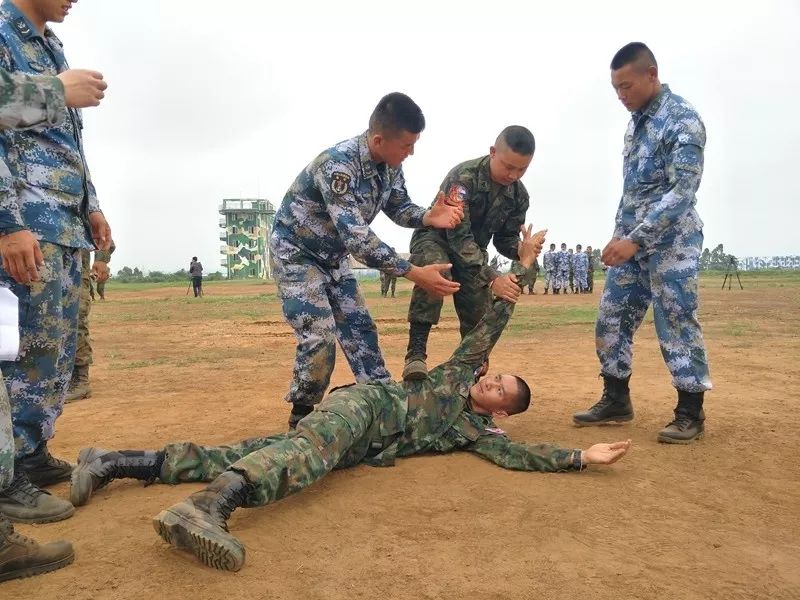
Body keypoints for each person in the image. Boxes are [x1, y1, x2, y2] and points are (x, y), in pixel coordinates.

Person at [68, 226, 631, 572]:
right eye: (497, 376)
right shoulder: (457, 376)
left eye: (500, 390)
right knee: (305, 458)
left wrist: (579, 457)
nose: (491, 382)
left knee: (252, 452)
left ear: (501, 411)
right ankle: (210, 508)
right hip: (366, 406)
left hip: (361, 445)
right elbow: (490, 327)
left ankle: (114, 463)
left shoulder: (474, 433)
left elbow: (520, 454)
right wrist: (523, 266)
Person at [269, 92, 464, 428]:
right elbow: (358, 240)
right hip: (297, 254)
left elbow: (399, 207)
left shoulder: (390, 167)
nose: (410, 153)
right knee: (320, 334)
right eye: (406, 145)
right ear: (378, 140)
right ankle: (301, 416)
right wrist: (413, 272)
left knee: (361, 329)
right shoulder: (337, 166)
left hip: (333, 258)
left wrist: (427, 217)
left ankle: (385, 405)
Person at [573, 42, 711, 444]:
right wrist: (620, 234)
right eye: (615, 88)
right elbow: (632, 191)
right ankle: (616, 399)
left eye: (626, 86)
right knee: (611, 316)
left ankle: (690, 412)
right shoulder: (636, 124)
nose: (621, 95)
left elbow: (682, 192)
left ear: (652, 74)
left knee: (676, 319)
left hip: (673, 242)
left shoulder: (683, 120)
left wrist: (635, 239)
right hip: (632, 242)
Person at [0, 64, 107, 581]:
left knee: (54, 353)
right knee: (22, 353)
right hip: (27, 221)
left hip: (63, 225)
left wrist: (92, 206)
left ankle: (33, 450)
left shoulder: (50, 50)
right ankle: (12, 471)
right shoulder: (6, 33)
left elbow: (67, 146)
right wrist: (7, 222)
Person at [403, 126, 534, 381]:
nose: (513, 175)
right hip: (436, 239)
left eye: (522, 169)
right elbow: (458, 235)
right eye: (508, 167)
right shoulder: (464, 178)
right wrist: (492, 278)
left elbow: (504, 239)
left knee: (478, 311)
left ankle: (469, 374)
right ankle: (416, 354)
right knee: (437, 268)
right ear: (493, 152)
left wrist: (520, 249)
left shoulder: (519, 196)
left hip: (473, 253)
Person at [64, 242, 115, 403]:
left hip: (74, 269)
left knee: (75, 321)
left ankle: (80, 380)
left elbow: (104, 237)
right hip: (32, 268)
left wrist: (101, 259)